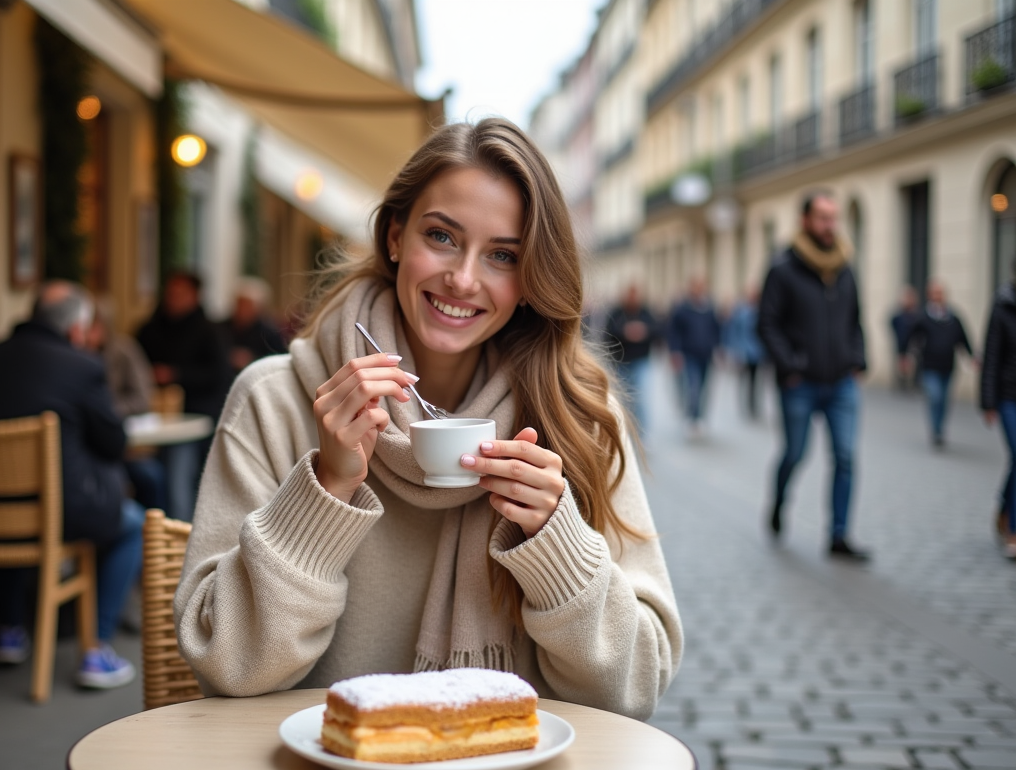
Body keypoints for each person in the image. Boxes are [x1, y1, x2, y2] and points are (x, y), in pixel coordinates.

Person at [173, 119, 683, 719]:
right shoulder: (274, 399)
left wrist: (557, 543)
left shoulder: (578, 418)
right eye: (441, 237)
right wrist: (327, 489)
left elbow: (636, 687)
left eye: (501, 255)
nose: (463, 279)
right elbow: (224, 664)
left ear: (529, 281)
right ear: (395, 236)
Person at [0, 281, 140, 688]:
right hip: (53, 516)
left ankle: (8, 629)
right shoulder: (82, 366)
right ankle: (96, 650)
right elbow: (114, 443)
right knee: (134, 524)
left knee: (16, 500)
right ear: (77, 329)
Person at [758, 192, 870, 560]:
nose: (829, 225)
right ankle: (778, 502)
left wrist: (858, 358)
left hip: (841, 382)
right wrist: (789, 365)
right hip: (800, 384)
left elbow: (855, 319)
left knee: (846, 456)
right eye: (822, 217)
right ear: (805, 220)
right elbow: (767, 324)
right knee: (795, 453)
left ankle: (839, 535)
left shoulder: (845, 267)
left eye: (833, 218)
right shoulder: (783, 268)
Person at [136, 272, 231, 520]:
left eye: (180, 293)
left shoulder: (210, 331)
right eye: (171, 293)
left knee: (178, 476)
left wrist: (176, 375)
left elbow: (218, 375)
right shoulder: (150, 328)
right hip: (151, 419)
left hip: (194, 418)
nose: (174, 299)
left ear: (195, 296)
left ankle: (179, 535)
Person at [88, 297, 166, 511]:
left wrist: (107, 409)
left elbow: (143, 397)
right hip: (88, 450)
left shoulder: (122, 350)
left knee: (149, 476)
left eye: (92, 324)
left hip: (124, 444)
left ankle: (157, 535)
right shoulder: (73, 355)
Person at [902, 279, 975, 448]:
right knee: (935, 396)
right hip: (929, 366)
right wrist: (905, 356)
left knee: (944, 400)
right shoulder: (923, 317)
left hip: (948, 366)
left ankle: (940, 428)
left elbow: (962, 338)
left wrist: (971, 356)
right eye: (935, 293)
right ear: (929, 296)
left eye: (940, 293)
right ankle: (935, 430)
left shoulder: (953, 318)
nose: (938, 296)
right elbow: (910, 337)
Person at [980, 272, 1016, 560]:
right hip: (1008, 396)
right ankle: (1014, 532)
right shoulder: (1003, 304)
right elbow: (991, 354)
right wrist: (987, 401)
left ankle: (1006, 507)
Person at [599, 284, 659, 432]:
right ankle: (625, 430)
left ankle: (642, 433)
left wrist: (643, 331)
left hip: (641, 360)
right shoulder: (617, 312)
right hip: (621, 361)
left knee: (641, 397)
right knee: (623, 399)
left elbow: (657, 331)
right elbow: (608, 334)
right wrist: (625, 332)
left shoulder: (645, 312)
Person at [667, 276, 721, 435]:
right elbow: (674, 332)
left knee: (704, 387)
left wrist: (717, 348)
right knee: (693, 386)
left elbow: (716, 329)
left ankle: (699, 416)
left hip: (706, 354)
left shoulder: (709, 307)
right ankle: (692, 417)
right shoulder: (682, 308)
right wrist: (675, 352)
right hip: (688, 354)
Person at [214, 276, 287, 379]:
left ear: (259, 308)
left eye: (247, 305)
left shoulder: (270, 333)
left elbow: (279, 361)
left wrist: (252, 359)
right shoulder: (220, 328)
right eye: (239, 303)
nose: (242, 309)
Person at [723, 288, 765, 419]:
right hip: (744, 352)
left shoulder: (760, 310)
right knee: (744, 380)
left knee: (756, 381)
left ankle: (753, 405)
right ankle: (745, 405)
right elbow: (733, 331)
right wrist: (734, 350)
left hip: (757, 352)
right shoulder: (741, 311)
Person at [890, 285, 920, 392]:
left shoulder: (916, 315)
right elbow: (892, 323)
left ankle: (911, 384)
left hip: (911, 346)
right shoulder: (899, 315)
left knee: (910, 365)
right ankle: (901, 384)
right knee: (901, 365)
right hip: (901, 345)